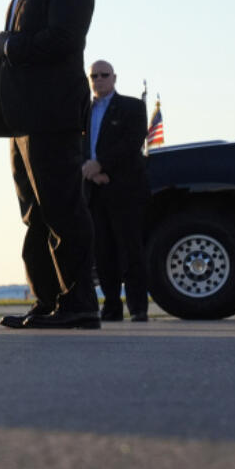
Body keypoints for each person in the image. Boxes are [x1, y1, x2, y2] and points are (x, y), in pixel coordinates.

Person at [0, 0, 98, 330]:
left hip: (52, 116)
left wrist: (9, 46)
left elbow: (65, 40)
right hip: (22, 119)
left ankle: (79, 303)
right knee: (34, 212)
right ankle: (48, 299)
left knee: (61, 208)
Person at [83, 60, 151, 322]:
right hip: (94, 191)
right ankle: (111, 306)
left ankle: (138, 308)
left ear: (114, 77)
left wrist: (102, 166)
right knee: (103, 252)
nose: (99, 79)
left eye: (104, 75)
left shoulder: (132, 107)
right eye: (94, 76)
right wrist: (88, 171)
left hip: (125, 190)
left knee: (130, 250)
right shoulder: (83, 111)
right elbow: (77, 145)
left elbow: (132, 142)